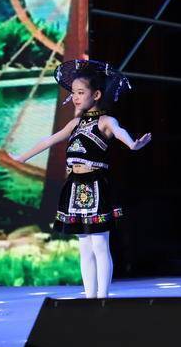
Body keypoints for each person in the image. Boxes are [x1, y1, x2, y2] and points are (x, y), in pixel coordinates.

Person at [12, 59, 150, 298]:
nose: (75, 97)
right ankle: (89, 297)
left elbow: (120, 133)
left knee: (99, 244)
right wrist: (20, 158)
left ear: (96, 94)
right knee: (84, 246)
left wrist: (133, 144)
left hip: (97, 184)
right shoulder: (75, 123)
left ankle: (102, 297)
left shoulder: (106, 121)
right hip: (75, 185)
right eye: (73, 92)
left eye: (80, 92)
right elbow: (49, 140)